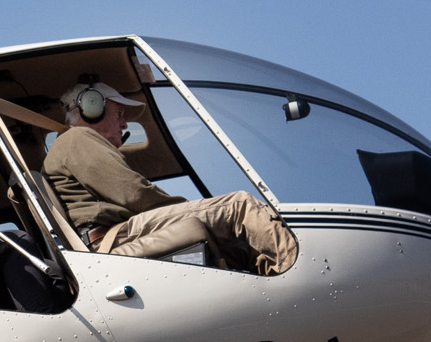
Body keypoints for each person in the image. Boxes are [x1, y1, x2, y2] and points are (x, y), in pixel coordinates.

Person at [39, 77, 299, 275]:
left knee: (241, 250)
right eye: (119, 114)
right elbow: (133, 193)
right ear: (91, 107)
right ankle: (298, 271)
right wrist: (191, 209)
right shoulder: (77, 138)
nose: (124, 123)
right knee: (240, 206)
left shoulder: (77, 144)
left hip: (116, 232)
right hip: (111, 236)